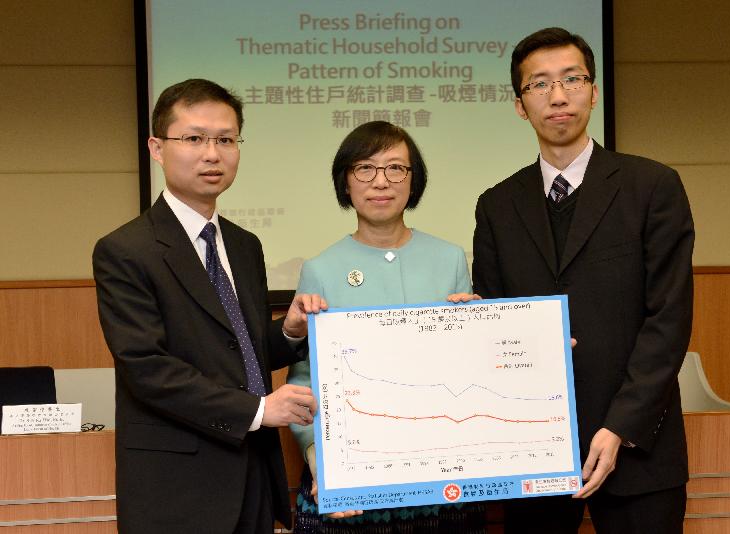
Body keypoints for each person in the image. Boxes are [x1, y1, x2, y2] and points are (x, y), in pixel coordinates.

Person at [472, 28, 694, 533]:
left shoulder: (651, 187)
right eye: (540, 84)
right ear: (520, 105)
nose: (558, 96)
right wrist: (474, 321)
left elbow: (669, 318)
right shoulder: (497, 205)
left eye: (571, 79)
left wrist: (619, 427)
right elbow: (496, 319)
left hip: (639, 448)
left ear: (594, 92)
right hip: (533, 452)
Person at [93, 78, 325, 534]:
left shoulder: (243, 244)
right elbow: (146, 368)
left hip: (253, 474)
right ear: (157, 148)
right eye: (194, 138)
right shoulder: (125, 250)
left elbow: (239, 350)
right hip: (178, 487)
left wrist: (290, 331)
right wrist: (258, 412)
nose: (212, 154)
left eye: (225, 140)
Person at [286, 121, 486, 533]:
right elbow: (305, 379)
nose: (381, 181)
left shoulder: (449, 258)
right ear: (345, 182)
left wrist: (482, 331)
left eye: (395, 168)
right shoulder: (320, 269)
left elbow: (467, 369)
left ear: (414, 181)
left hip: (441, 478)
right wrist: (318, 460)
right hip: (352, 483)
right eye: (365, 168)